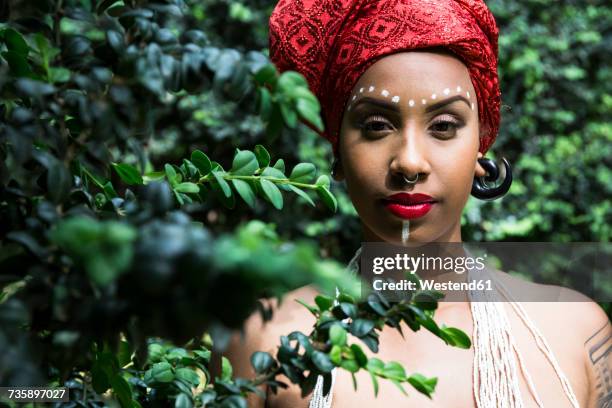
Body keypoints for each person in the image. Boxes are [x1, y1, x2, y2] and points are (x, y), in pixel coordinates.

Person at [223, 0, 611, 407]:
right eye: (376, 126)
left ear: (481, 147)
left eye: (443, 126)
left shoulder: (575, 333)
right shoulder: (262, 341)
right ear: (337, 150)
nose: (409, 161)